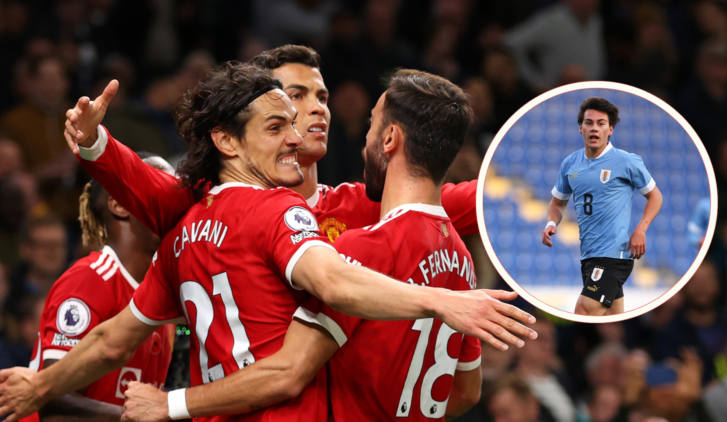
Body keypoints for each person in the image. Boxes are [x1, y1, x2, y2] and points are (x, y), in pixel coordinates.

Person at [0, 63, 535, 422]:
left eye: (312, 105)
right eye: (280, 122)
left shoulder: (184, 234)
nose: (299, 134)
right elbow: (329, 286)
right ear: (228, 140)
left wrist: (40, 387)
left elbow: (113, 341)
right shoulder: (281, 212)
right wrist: (440, 299)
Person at [66, 45, 478, 244]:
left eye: (322, 97)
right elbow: (150, 188)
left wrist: (540, 183)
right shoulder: (211, 205)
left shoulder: (367, 208)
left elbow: (476, 200)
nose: (317, 109)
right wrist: (93, 140)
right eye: (296, 96)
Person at [18, 153, 176, 422]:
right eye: (159, 187)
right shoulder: (90, 279)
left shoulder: (163, 293)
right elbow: (53, 402)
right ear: (119, 205)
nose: (174, 203)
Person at [541, 97, 663, 316]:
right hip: (589, 255)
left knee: (584, 311)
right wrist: (551, 222)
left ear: (610, 129)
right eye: (589, 123)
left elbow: (655, 196)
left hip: (614, 255)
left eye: (601, 123)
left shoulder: (627, 161)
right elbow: (557, 203)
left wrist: (641, 228)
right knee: (612, 318)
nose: (594, 128)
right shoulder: (570, 163)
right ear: (580, 128)